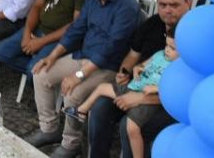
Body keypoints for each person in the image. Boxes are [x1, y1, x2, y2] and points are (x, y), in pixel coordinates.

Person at [25, 0, 140, 158]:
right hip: (82, 55)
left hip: (106, 66)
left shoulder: (127, 8)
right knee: (41, 74)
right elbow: (76, 30)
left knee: (72, 94)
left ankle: (71, 144)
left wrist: (78, 76)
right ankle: (49, 129)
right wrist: (52, 56)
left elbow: (111, 48)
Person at [87, 0, 190, 158]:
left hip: (168, 102)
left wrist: (140, 98)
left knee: (130, 124)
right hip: (139, 85)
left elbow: (185, 92)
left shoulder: (192, 35)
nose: (168, 10)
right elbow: (132, 56)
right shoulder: (152, 24)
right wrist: (124, 72)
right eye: (163, 4)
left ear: (187, 3)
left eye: (174, 5)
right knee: (100, 108)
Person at [65, 28, 179, 158]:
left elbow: (174, 90)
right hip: (134, 86)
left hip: (149, 98)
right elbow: (141, 65)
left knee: (131, 127)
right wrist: (137, 69)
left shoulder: (178, 67)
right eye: (166, 45)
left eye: (173, 48)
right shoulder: (160, 54)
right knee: (102, 88)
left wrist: (155, 89)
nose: (167, 50)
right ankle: (81, 111)